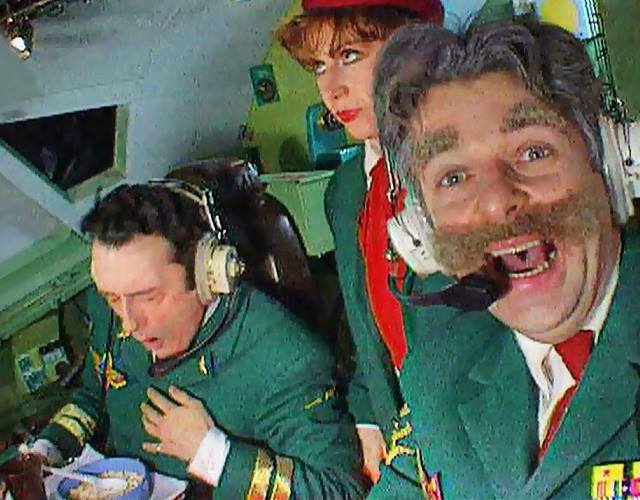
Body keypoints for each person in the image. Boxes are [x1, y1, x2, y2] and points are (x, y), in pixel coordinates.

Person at [370, 18, 640, 499]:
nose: (497, 202)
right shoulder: (440, 369)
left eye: (533, 152)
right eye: (454, 178)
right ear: (423, 232)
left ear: (612, 169)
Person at [23, 164, 364, 498]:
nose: (129, 323)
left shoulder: (285, 360)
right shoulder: (110, 310)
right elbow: (93, 393)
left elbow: (338, 491)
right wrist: (46, 451)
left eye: (149, 297)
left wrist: (214, 454)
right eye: (112, 298)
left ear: (207, 276)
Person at [275, 0, 443, 484]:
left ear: (413, 48)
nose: (331, 88)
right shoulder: (347, 192)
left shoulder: (464, 170)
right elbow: (368, 330)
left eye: (349, 56)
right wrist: (370, 418)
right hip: (409, 452)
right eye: (318, 66)